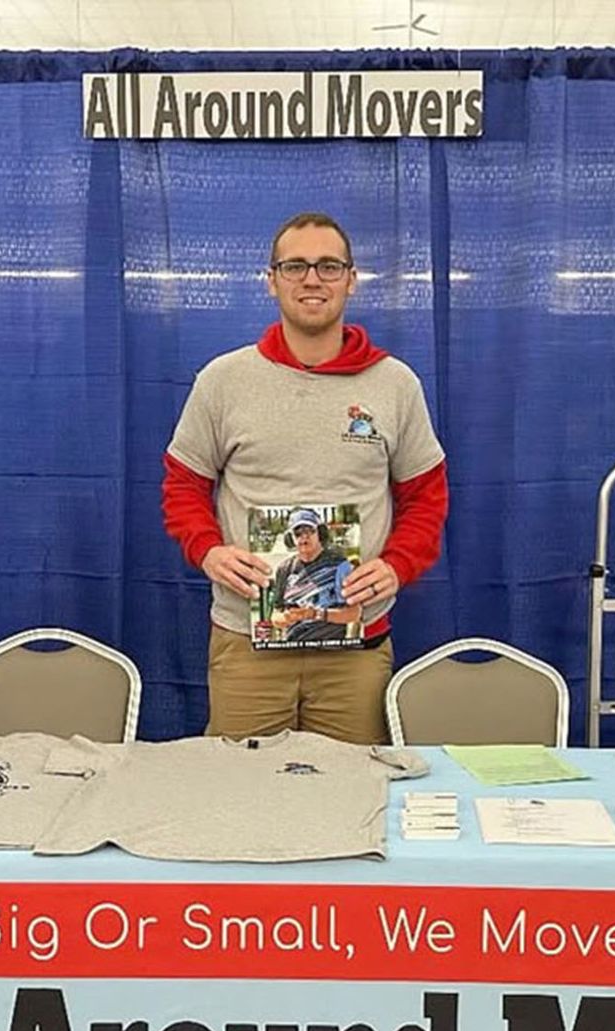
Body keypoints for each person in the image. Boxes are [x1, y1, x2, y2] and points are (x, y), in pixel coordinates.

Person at [161, 211, 449, 745]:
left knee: (352, 805)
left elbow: (427, 498)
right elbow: (183, 486)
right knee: (238, 800)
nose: (311, 279)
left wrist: (397, 564)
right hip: (247, 643)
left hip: (356, 650)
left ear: (351, 279)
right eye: (295, 266)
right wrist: (209, 550)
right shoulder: (224, 381)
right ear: (271, 280)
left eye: (328, 266)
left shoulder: (395, 384)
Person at [268, 507, 362, 645]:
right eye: (298, 533)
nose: (304, 537)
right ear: (291, 538)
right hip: (293, 647)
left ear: (320, 533)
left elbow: (354, 613)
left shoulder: (340, 565)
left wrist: (317, 614)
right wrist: (287, 618)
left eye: (309, 531)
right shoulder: (284, 569)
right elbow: (275, 617)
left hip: (332, 648)